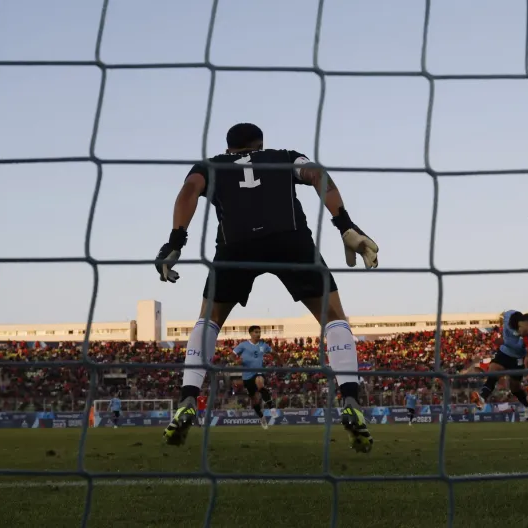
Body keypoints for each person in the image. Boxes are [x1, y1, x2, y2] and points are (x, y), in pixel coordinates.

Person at [156, 123, 379, 453]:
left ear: (228, 147)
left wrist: (175, 241)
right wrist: (345, 225)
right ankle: (349, 398)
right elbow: (318, 174)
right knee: (333, 316)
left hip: (236, 245)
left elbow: (189, 190)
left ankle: (189, 397)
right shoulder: (284, 157)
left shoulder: (210, 165)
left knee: (209, 319)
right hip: (290, 239)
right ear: (261, 143)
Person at [470, 310, 528, 413]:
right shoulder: (508, 315)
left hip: (517, 358)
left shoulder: (525, 331)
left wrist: (505, 342)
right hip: (504, 353)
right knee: (493, 372)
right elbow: (502, 315)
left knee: (515, 388)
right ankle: (482, 398)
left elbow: (522, 348)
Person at [233, 326, 278, 429]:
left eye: (259, 332)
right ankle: (261, 417)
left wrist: (280, 361)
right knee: (255, 400)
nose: (258, 334)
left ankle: (272, 408)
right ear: (251, 334)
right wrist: (236, 361)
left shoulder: (263, 345)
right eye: (256, 332)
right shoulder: (243, 345)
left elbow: (274, 353)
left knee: (260, 383)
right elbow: (231, 355)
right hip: (247, 376)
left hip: (258, 372)